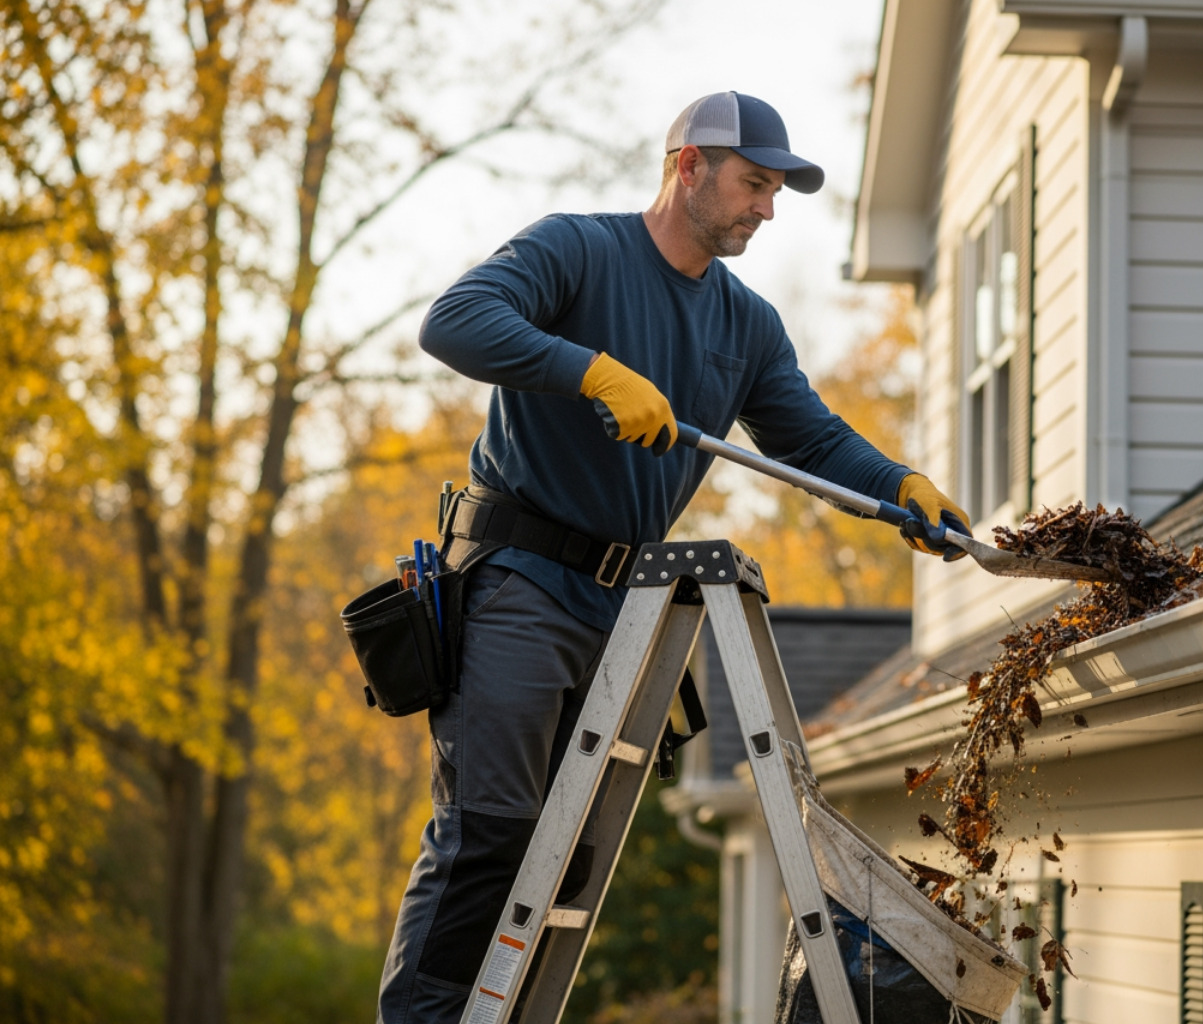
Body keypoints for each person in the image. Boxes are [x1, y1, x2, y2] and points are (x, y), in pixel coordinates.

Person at [377, 91, 970, 1024]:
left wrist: (899, 486)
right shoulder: (576, 249)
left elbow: (809, 438)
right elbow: (452, 322)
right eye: (753, 183)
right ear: (687, 165)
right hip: (519, 583)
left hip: (621, 608)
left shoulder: (746, 323)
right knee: (490, 835)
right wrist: (590, 370)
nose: (767, 208)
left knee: (562, 857)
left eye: (776, 191)